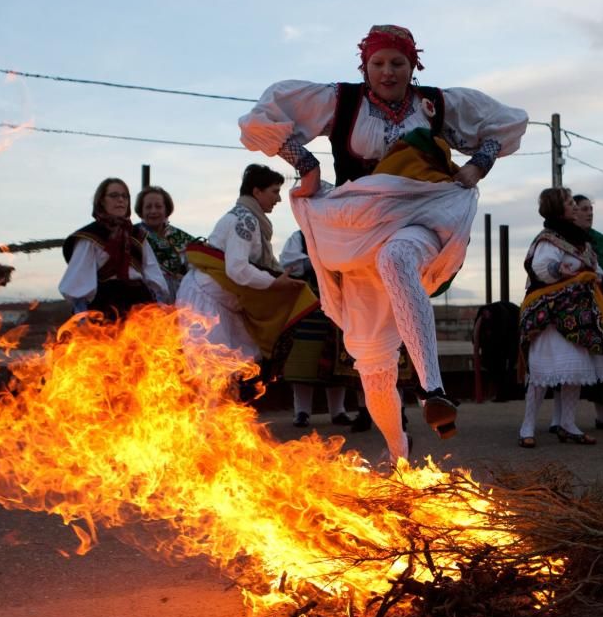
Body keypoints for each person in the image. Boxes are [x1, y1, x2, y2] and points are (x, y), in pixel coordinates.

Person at [239, 24, 528, 462]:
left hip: (422, 215)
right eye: (379, 63)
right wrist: (305, 162)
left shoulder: (435, 103)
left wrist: (478, 166)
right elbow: (265, 116)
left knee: (397, 257)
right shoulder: (342, 100)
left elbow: (506, 124)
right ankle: (399, 455)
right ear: (365, 66)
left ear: (413, 66)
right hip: (358, 230)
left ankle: (434, 390)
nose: (388, 72)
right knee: (374, 368)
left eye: (398, 63)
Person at [517, 188, 603, 448]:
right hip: (551, 314)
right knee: (542, 370)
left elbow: (595, 268)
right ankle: (527, 426)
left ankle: (568, 424)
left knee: (574, 369)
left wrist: (589, 274)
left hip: (577, 315)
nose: (575, 206)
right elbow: (541, 268)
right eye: (569, 202)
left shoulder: (582, 241)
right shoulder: (548, 239)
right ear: (559, 208)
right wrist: (562, 270)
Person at [176, 164, 305, 364]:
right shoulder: (245, 220)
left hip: (221, 302)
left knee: (240, 366)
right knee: (212, 375)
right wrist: (274, 283)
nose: (278, 199)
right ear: (257, 191)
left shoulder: (248, 218)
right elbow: (237, 269)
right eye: (274, 191)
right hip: (205, 301)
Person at [548, 193, 603, 435]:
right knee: (564, 359)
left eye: (590, 208)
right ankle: (559, 417)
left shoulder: (601, 241)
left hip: (600, 305)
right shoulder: (557, 239)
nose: (588, 212)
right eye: (582, 208)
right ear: (571, 212)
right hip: (566, 307)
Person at [60, 178, 168, 322]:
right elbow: (79, 279)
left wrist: (159, 307)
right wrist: (82, 317)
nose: (121, 200)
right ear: (102, 201)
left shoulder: (138, 235)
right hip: (105, 304)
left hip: (140, 304)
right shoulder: (90, 236)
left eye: (125, 196)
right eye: (114, 195)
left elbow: (153, 274)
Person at [279, 229, 355, 428]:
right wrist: (321, 261)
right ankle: (302, 412)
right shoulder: (298, 237)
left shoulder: (339, 235)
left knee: (337, 360)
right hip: (308, 308)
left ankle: (338, 411)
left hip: (338, 306)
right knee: (303, 361)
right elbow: (288, 264)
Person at [134, 185, 198, 303]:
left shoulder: (180, 236)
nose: (153, 211)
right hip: (148, 301)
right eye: (148, 207)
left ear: (166, 209)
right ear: (141, 211)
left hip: (182, 299)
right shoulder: (133, 236)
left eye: (158, 206)